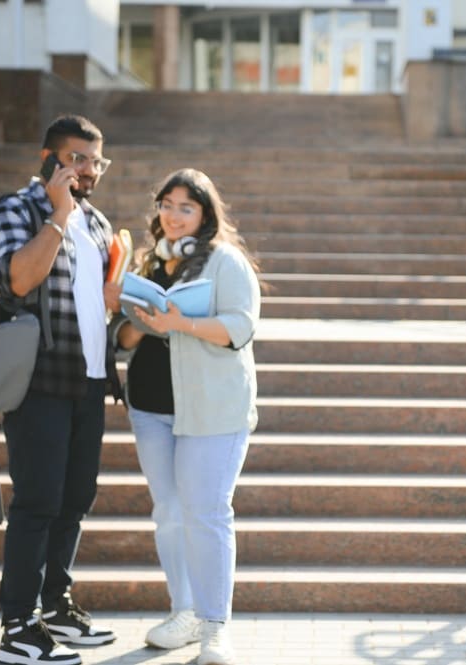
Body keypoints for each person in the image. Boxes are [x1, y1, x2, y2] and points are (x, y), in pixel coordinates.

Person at [0, 114, 122, 665]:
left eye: (96, 160)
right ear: (49, 160)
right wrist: (58, 216)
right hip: (38, 379)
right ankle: (18, 625)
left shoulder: (99, 222)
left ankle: (56, 607)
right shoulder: (14, 210)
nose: (89, 170)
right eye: (78, 159)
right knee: (38, 501)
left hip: (87, 381)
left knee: (74, 500)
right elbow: (18, 278)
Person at [114, 168, 261, 665]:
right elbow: (123, 338)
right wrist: (138, 319)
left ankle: (215, 627)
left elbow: (240, 327)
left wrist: (182, 324)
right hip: (152, 407)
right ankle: (185, 612)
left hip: (213, 409)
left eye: (186, 207)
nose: (173, 215)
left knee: (207, 513)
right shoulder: (148, 261)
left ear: (205, 215)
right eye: (167, 204)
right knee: (170, 514)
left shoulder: (226, 262)